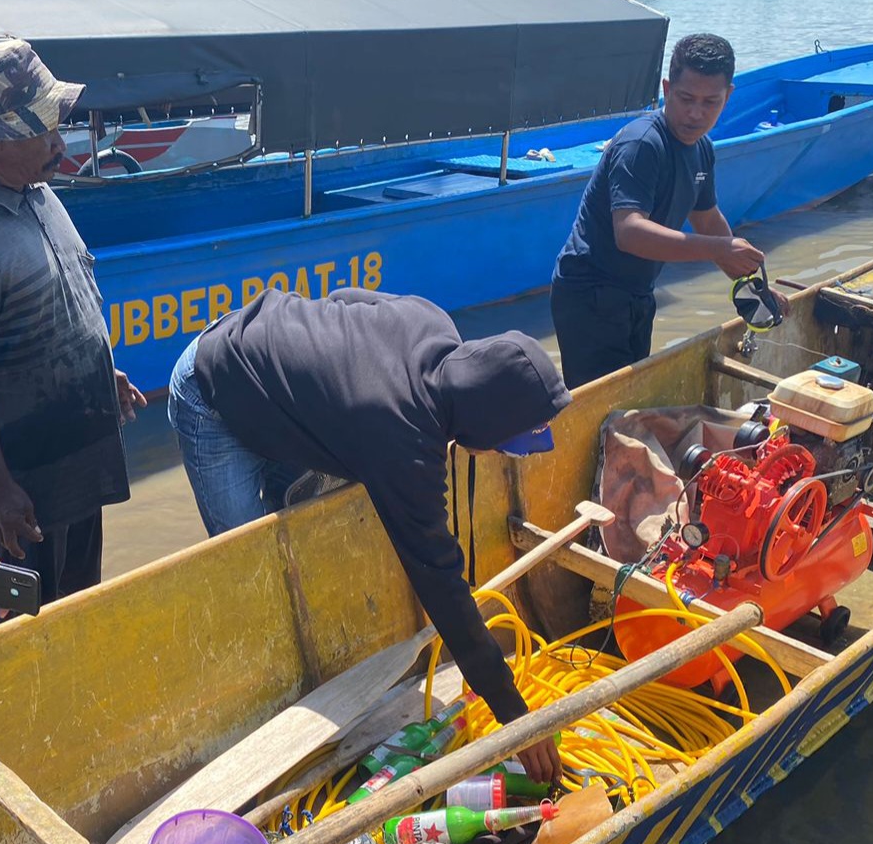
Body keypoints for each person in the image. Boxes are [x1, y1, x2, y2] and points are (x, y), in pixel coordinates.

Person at [167, 288, 570, 783]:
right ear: (479, 427)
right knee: (249, 571)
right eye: (501, 447)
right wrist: (514, 715)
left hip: (268, 359)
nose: (496, 456)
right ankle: (260, 718)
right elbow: (441, 583)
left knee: (298, 521)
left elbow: (344, 298)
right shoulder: (401, 438)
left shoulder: (433, 320)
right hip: (213, 388)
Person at [0, 41, 145, 609]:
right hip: (23, 477)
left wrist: (100, 372)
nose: (60, 145)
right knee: (30, 626)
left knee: (81, 606)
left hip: (77, 444)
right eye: (42, 130)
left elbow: (64, 302)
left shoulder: (37, 191)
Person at [550, 33, 786, 388]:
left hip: (637, 293)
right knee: (603, 410)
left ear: (729, 97)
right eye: (686, 98)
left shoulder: (701, 147)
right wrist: (719, 249)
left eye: (711, 102)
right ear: (666, 88)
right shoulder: (642, 144)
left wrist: (753, 285)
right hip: (590, 294)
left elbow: (707, 219)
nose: (695, 113)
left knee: (631, 398)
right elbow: (629, 232)